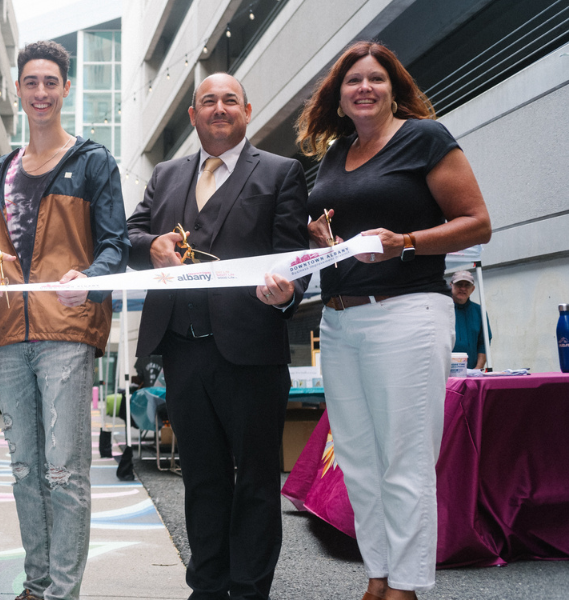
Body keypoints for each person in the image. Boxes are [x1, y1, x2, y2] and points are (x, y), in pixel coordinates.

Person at [296, 41, 491, 600]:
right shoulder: (336, 154)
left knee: (404, 459)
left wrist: (404, 242)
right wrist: (323, 241)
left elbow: (477, 223)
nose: (364, 88)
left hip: (406, 314)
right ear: (338, 96)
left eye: (375, 79)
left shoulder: (424, 138)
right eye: (352, 80)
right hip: (339, 321)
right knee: (357, 460)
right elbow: (343, 233)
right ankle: (378, 576)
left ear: (393, 86)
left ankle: (406, 586)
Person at [126, 71, 309, 600]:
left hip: (251, 353)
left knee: (254, 481)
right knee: (201, 480)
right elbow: (133, 237)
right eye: (208, 101)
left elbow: (294, 258)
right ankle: (206, 587)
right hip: (182, 353)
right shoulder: (165, 174)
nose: (220, 108)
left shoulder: (281, 173)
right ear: (194, 116)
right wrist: (152, 248)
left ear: (247, 111)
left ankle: (250, 591)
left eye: (231, 100)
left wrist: (287, 293)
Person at [0, 40, 128, 600]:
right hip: (10, 333)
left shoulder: (93, 162)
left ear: (66, 88)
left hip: (66, 330)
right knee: (24, 471)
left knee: (64, 472)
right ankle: (36, 587)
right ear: (18, 89)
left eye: (50, 82)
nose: (40, 92)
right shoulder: (2, 170)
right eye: (31, 82)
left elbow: (116, 246)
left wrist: (91, 276)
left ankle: (62, 592)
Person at [450, 271, 490, 369]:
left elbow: (484, 343)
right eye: (459, 284)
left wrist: (478, 369)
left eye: (467, 285)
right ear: (451, 286)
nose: (463, 288)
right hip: (445, 374)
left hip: (472, 372)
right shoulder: (442, 309)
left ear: (472, 289)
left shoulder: (479, 311)